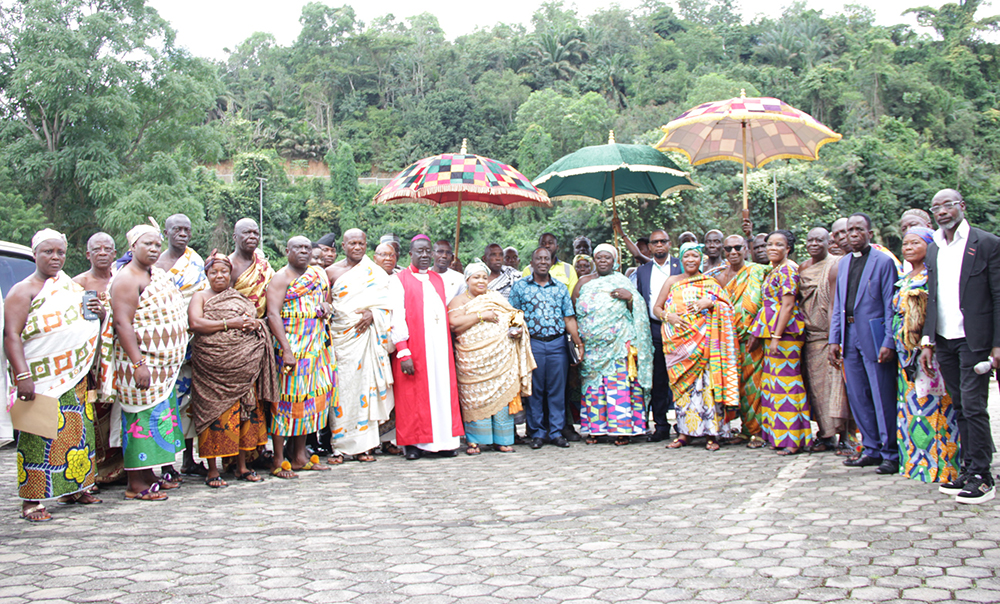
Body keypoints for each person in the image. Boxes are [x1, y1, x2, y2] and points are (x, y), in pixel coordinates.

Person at [4, 229, 102, 521]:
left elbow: (87, 325)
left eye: (60, 252)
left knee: (77, 434)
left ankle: (76, 486)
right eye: (48, 252)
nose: (55, 257)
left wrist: (100, 313)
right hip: (39, 377)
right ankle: (32, 500)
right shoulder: (24, 290)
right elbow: (11, 335)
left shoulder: (70, 287)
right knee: (37, 438)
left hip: (74, 373)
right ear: (35, 254)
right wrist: (22, 375)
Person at [920, 189, 1000, 504]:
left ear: (962, 207)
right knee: (960, 406)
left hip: (975, 339)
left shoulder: (986, 244)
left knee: (974, 405)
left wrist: (997, 344)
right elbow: (933, 296)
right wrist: (928, 340)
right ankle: (968, 470)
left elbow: (998, 295)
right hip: (944, 339)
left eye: (948, 205)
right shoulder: (933, 249)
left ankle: (983, 476)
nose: (942, 211)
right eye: (936, 207)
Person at [104, 220, 189, 501]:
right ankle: (135, 484)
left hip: (162, 368)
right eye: (147, 244)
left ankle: (148, 473)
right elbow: (122, 323)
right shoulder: (127, 278)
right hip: (140, 366)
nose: (154, 249)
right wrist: (139, 364)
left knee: (157, 417)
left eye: (156, 244)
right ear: (132, 247)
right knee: (140, 419)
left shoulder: (155, 273)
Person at [188, 252, 277, 487]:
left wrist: (253, 324)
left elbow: (255, 321)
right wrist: (230, 324)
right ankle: (212, 470)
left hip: (243, 369)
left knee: (244, 415)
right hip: (211, 370)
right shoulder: (200, 297)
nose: (219, 276)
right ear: (206, 274)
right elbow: (196, 324)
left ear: (230, 275)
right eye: (214, 272)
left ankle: (241, 466)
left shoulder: (239, 298)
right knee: (215, 417)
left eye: (224, 272)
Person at [829, 214, 899, 473]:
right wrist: (834, 338)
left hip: (874, 335)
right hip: (848, 334)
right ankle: (871, 448)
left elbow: (891, 304)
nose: (854, 234)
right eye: (849, 230)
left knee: (881, 394)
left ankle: (890, 452)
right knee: (857, 395)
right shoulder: (844, 263)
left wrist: (889, 340)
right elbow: (838, 304)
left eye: (859, 229)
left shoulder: (883, 262)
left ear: (870, 233)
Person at [654, 242, 739, 451]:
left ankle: (713, 433)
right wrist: (668, 316)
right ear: (680, 259)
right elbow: (656, 307)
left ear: (700, 258)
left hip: (707, 343)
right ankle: (685, 433)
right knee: (684, 391)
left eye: (694, 256)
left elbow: (727, 305)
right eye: (686, 256)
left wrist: (711, 303)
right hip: (679, 346)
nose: (690, 260)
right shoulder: (672, 281)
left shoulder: (711, 281)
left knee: (707, 386)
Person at [265, 236, 336, 478]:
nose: (304, 252)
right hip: (291, 348)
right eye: (298, 248)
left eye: (307, 248)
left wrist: (327, 308)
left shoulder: (317, 275)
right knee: (284, 402)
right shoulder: (280, 278)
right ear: (287, 251)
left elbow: (326, 304)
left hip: (316, 349)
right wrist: (285, 349)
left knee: (307, 402)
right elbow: (273, 315)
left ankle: (299, 456)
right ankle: (277, 459)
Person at [893, 227, 959, 483]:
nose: (907, 247)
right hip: (904, 353)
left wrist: (926, 344)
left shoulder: (935, 275)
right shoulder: (906, 275)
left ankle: (942, 466)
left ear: (930, 246)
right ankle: (916, 463)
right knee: (910, 405)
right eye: (905, 243)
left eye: (915, 242)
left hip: (927, 350)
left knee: (935, 402)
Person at [388, 235, 464, 460]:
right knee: (412, 396)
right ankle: (413, 444)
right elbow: (397, 316)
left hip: (440, 347)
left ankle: (444, 442)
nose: (423, 255)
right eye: (418, 251)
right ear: (410, 254)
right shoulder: (399, 279)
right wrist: (403, 350)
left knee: (441, 392)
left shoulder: (437, 280)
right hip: (414, 348)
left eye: (427, 251)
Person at [449, 261, 535, 454]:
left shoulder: (495, 297)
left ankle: (502, 440)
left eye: (484, 277)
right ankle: (475, 442)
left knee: (502, 397)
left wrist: (516, 329)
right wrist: (481, 315)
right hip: (473, 362)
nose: (481, 281)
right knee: (475, 400)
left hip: (501, 361)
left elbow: (515, 316)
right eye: (476, 277)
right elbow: (454, 324)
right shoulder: (459, 301)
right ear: (467, 279)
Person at [573, 244, 652, 445]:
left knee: (619, 388)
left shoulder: (623, 281)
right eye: (598, 257)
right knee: (593, 388)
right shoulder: (584, 282)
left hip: (618, 346)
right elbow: (573, 309)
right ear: (594, 260)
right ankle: (595, 430)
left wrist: (631, 297)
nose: (602, 261)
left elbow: (639, 309)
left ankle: (622, 430)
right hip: (592, 349)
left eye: (607, 257)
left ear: (614, 261)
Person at [326, 229, 394, 463]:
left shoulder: (375, 273)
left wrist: (373, 313)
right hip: (342, 340)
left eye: (361, 243)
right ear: (343, 246)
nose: (357, 247)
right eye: (352, 243)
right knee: (343, 392)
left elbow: (388, 305)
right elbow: (327, 308)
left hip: (367, 339)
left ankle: (365, 446)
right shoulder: (330, 272)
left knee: (366, 388)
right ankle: (340, 446)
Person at [509, 247, 584, 449]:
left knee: (557, 389)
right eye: (538, 258)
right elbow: (513, 315)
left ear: (551, 262)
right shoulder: (520, 287)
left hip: (557, 343)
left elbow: (568, 317)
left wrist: (578, 342)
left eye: (546, 258)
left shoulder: (560, 288)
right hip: (532, 343)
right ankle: (537, 433)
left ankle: (556, 432)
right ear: (531, 263)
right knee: (535, 389)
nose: (543, 262)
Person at [154, 214, 207, 479]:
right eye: (177, 229)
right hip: (164, 345)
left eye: (187, 229)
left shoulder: (195, 261)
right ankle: (166, 464)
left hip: (193, 342)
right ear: (166, 232)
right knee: (166, 403)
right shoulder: (155, 263)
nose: (182, 233)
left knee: (191, 403)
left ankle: (189, 459)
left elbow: (203, 294)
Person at [751, 230, 812, 455]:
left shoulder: (788, 269)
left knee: (787, 385)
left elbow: (787, 305)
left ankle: (792, 440)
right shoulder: (775, 269)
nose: (772, 248)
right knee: (774, 386)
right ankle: (781, 436)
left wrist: (776, 336)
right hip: (774, 332)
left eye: (779, 245)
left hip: (786, 333)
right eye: (769, 244)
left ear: (788, 249)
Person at [73, 232, 123, 486]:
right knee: (93, 410)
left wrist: (109, 317)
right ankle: (93, 470)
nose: (103, 252)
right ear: (88, 254)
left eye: (108, 249)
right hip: (91, 362)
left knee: (118, 410)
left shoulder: (122, 280)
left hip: (120, 357)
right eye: (97, 248)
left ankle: (120, 468)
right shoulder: (76, 284)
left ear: (115, 254)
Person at [709, 234, 769, 447]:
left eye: (737, 248)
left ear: (746, 249)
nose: (733, 252)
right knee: (738, 385)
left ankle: (759, 432)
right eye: (728, 249)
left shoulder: (758, 271)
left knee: (755, 385)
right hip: (727, 342)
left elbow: (766, 304)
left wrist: (757, 332)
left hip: (753, 338)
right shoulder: (718, 277)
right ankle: (745, 429)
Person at [798, 227, 852, 452]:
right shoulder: (803, 267)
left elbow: (836, 302)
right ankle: (826, 434)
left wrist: (835, 337)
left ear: (829, 242)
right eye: (810, 240)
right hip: (810, 338)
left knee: (839, 388)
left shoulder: (837, 264)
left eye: (819, 240)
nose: (814, 244)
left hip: (830, 336)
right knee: (818, 389)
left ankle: (847, 437)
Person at [625, 225, 681, 441]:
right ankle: (661, 426)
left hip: (680, 329)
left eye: (663, 241)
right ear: (649, 247)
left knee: (680, 376)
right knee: (658, 378)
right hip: (654, 329)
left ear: (669, 244)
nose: (659, 245)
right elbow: (638, 301)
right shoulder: (642, 271)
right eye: (655, 242)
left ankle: (685, 423)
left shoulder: (681, 265)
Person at [230, 218, 274, 318]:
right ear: (235, 237)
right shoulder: (228, 266)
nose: (252, 237)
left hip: (260, 325)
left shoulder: (264, 266)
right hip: (234, 325)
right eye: (247, 232)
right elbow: (221, 301)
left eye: (255, 233)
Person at [899, 209, 933, 273]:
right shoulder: (909, 258)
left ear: (928, 226)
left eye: (913, 225)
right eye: (904, 228)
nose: (908, 230)